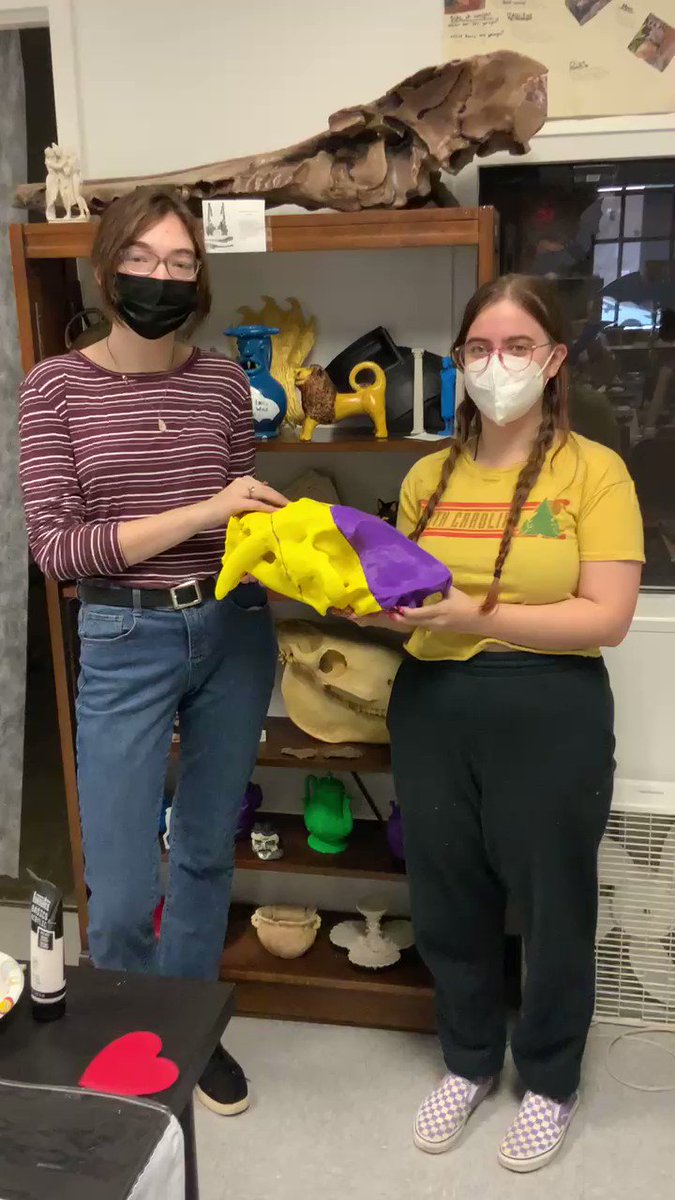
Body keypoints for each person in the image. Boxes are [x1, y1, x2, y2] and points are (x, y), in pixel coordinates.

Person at [354, 275, 643, 1172]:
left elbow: (606, 616)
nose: (495, 366)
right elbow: (403, 597)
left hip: (548, 710)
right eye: (478, 348)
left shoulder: (594, 471)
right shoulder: (424, 476)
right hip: (434, 706)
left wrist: (479, 618)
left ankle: (549, 1079)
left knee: (554, 902)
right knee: (447, 895)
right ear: (458, 361)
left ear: (554, 361)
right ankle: (469, 1059)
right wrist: (364, 605)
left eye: (518, 347)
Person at [18, 186, 287, 1117]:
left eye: (181, 264)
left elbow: (237, 528)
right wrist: (210, 509)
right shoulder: (53, 388)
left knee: (208, 854)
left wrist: (309, 549)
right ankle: (126, 1034)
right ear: (106, 269)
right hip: (123, 634)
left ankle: (186, 1030)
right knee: (124, 885)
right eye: (144, 260)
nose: (162, 279)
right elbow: (59, 548)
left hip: (233, 630)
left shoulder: (219, 384)